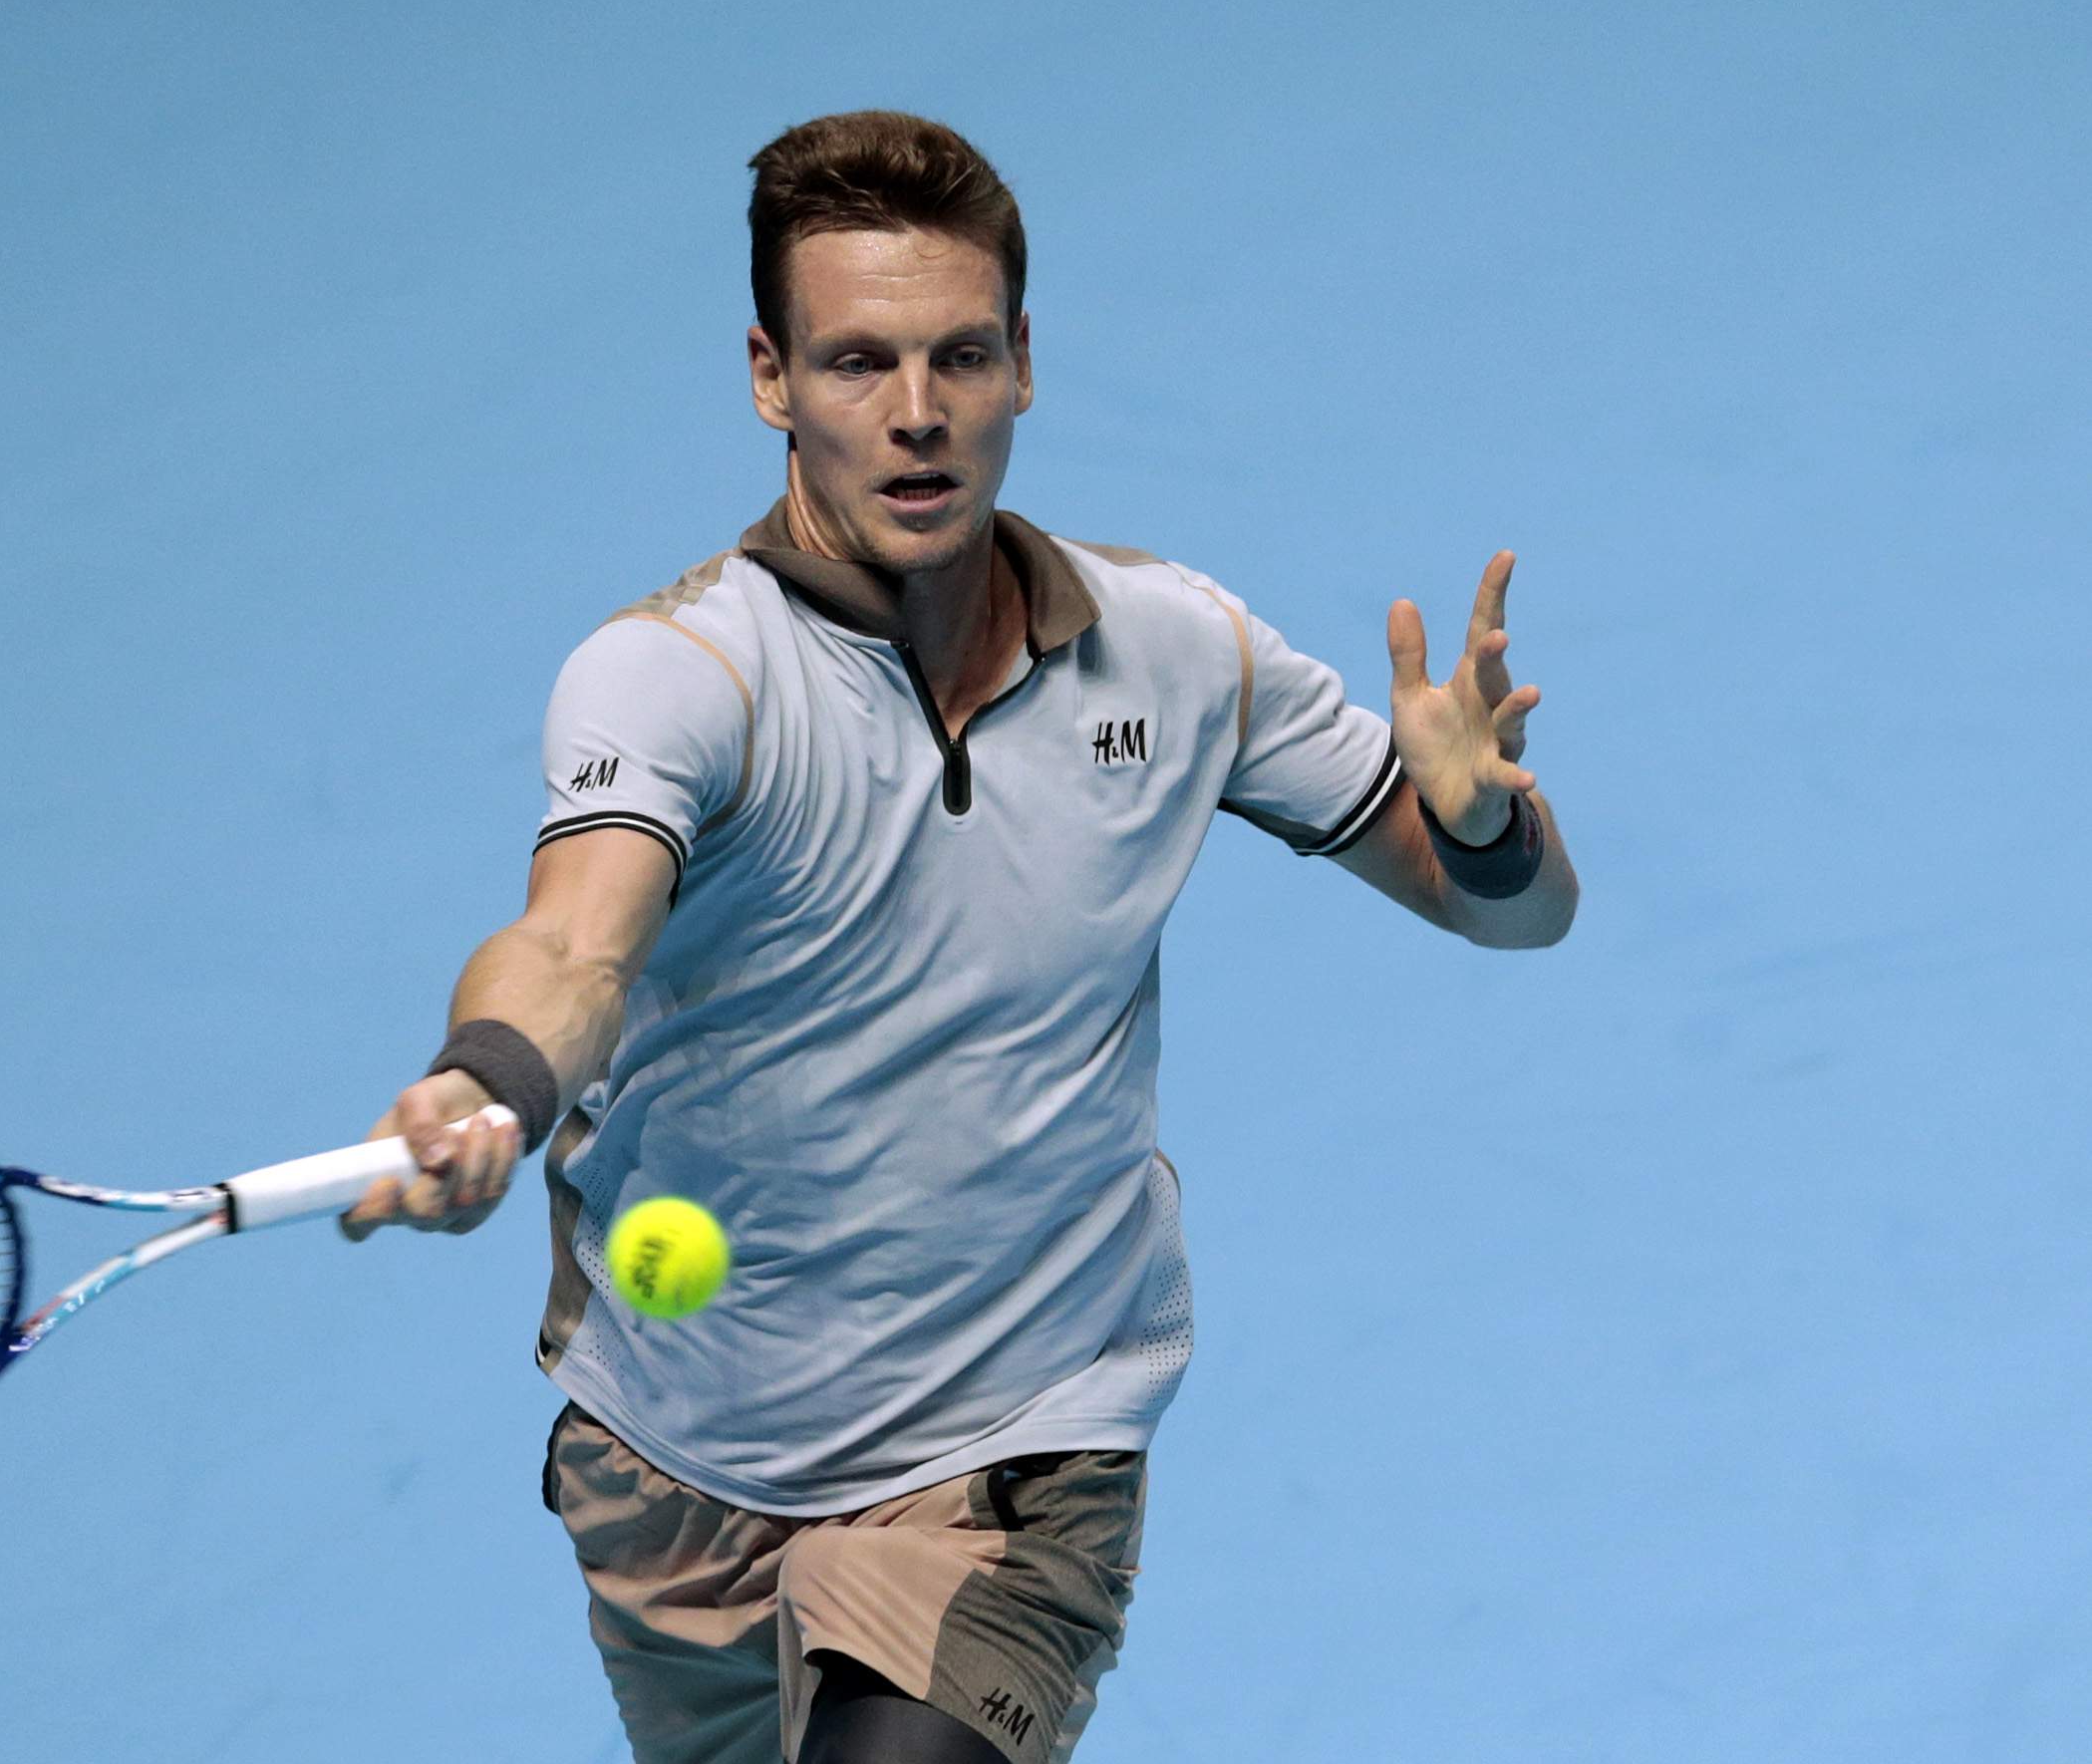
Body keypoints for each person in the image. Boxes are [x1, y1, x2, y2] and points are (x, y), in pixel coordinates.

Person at [339, 111, 1578, 1764]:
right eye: (856, 364)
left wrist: (1485, 825)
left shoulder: (1176, 651)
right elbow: (571, 948)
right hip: (681, 1458)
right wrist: (483, 1077)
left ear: (1020, 366)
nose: (916, 416)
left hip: (1017, 1440)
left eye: (959, 357)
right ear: (771, 377)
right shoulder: (677, 676)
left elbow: (1510, 912)